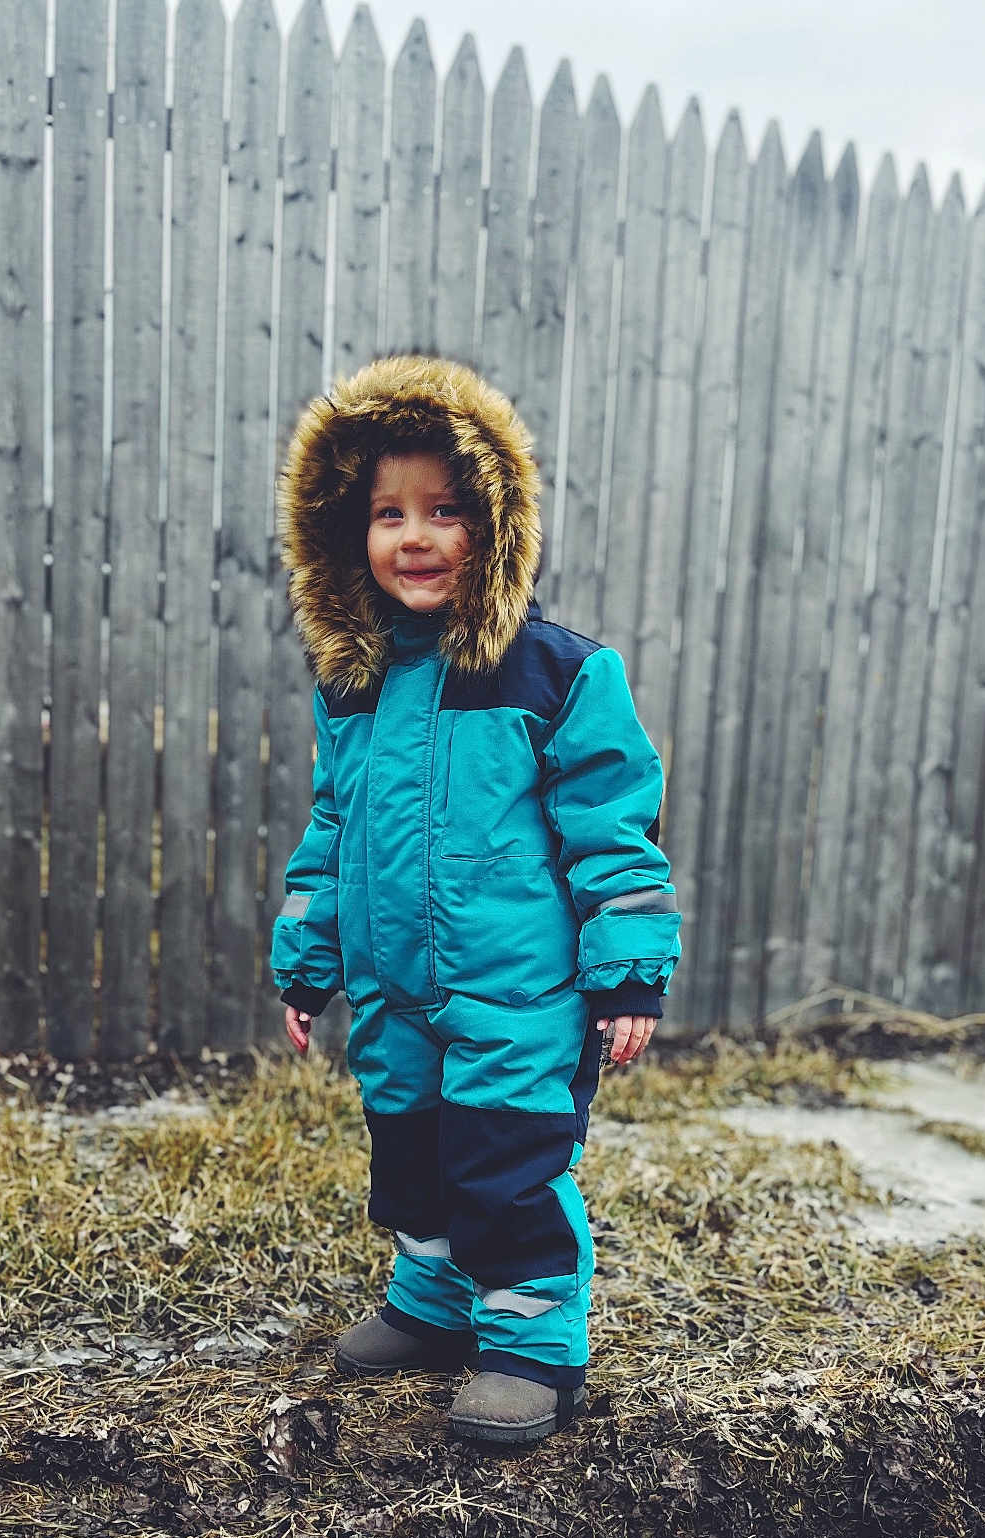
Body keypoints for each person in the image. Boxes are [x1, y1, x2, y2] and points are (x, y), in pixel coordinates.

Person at [271, 356, 680, 1446]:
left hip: (518, 990)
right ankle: (434, 1304)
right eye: (388, 513)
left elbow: (614, 831)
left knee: (503, 1162)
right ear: (345, 533)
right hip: (396, 990)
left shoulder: (557, 674)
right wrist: (308, 952)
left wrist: (628, 970)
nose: (415, 536)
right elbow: (333, 827)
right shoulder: (351, 684)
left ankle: (535, 1343)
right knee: (409, 1151)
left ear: (494, 526)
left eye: (445, 512)